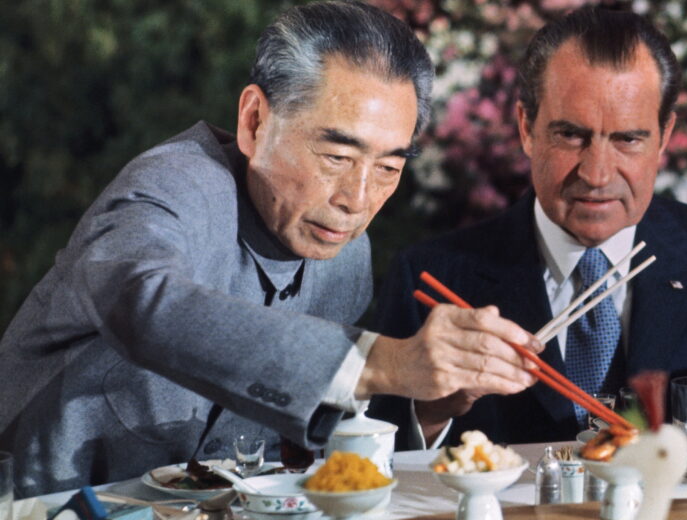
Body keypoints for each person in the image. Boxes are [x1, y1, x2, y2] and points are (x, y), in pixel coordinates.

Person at [0, 1, 543, 497]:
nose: (356, 201)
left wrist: (426, 406)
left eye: (389, 168)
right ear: (255, 121)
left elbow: (318, 446)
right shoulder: (171, 186)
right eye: (335, 157)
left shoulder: (345, 254)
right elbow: (143, 304)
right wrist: (381, 360)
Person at [369, 6, 687, 450]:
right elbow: (374, 464)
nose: (597, 174)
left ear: (665, 136)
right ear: (526, 128)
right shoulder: (432, 276)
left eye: (628, 139)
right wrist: (431, 409)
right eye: (571, 136)